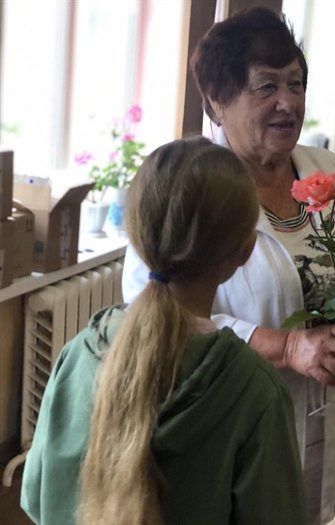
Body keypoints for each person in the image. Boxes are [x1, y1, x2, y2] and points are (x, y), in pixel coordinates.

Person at [122, 7, 335, 524]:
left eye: (296, 84)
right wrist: (288, 347)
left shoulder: (328, 170)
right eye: (266, 86)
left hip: (321, 414)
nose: (288, 102)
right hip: (225, 421)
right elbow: (153, 311)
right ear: (216, 100)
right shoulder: (185, 183)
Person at [21, 138, 307, 525]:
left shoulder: (77, 356)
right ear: (245, 250)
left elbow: (37, 498)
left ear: (137, 237)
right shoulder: (254, 391)